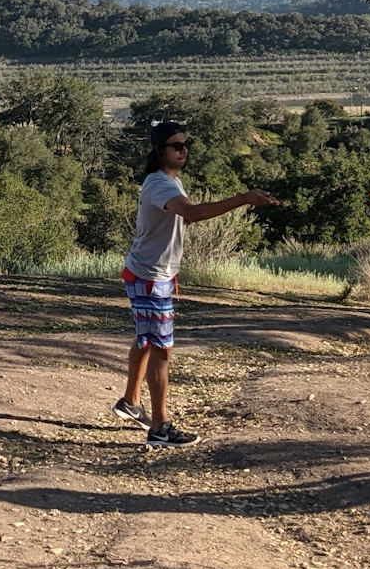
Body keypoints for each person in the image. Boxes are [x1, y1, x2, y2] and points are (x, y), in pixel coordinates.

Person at [112, 120, 279, 448]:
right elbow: (194, 213)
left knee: (147, 340)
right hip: (148, 277)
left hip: (150, 274)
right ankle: (160, 428)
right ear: (161, 151)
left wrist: (171, 271)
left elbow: (179, 222)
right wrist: (244, 198)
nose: (183, 150)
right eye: (176, 146)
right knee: (161, 350)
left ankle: (130, 402)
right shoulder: (160, 185)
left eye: (185, 145)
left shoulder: (171, 183)